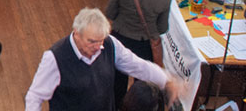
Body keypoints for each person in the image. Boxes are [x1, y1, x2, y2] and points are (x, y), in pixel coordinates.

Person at [25, 8, 177, 111]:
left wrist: (166, 80)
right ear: (76, 33)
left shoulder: (110, 44)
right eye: (92, 41)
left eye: (101, 40)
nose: (98, 47)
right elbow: (35, 97)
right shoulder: (55, 58)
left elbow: (138, 66)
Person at [106, 0, 173, 108]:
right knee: (143, 91)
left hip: (119, 41)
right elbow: (162, 28)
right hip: (144, 47)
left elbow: (110, 13)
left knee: (117, 86)